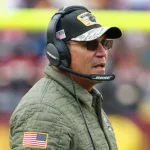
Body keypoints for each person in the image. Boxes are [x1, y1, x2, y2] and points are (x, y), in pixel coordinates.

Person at [9, 5, 122, 150]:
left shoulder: (86, 99)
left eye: (106, 43)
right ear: (60, 52)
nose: (103, 52)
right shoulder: (43, 112)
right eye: (90, 43)